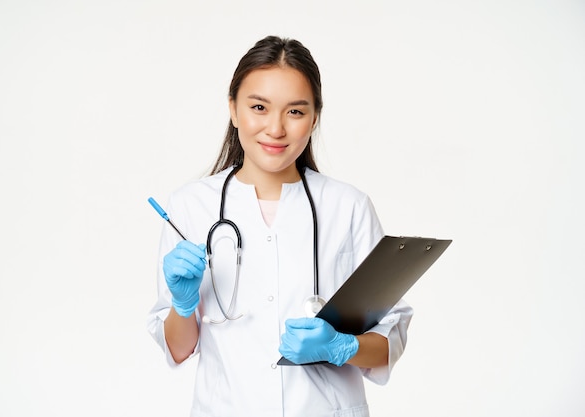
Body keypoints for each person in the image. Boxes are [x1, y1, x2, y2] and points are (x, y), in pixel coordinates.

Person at [147, 35, 413, 417]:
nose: (275, 128)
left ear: (314, 118)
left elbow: (392, 335)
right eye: (259, 107)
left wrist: (342, 346)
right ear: (234, 110)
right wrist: (183, 304)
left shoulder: (348, 206)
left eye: (295, 112)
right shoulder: (191, 206)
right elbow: (179, 348)